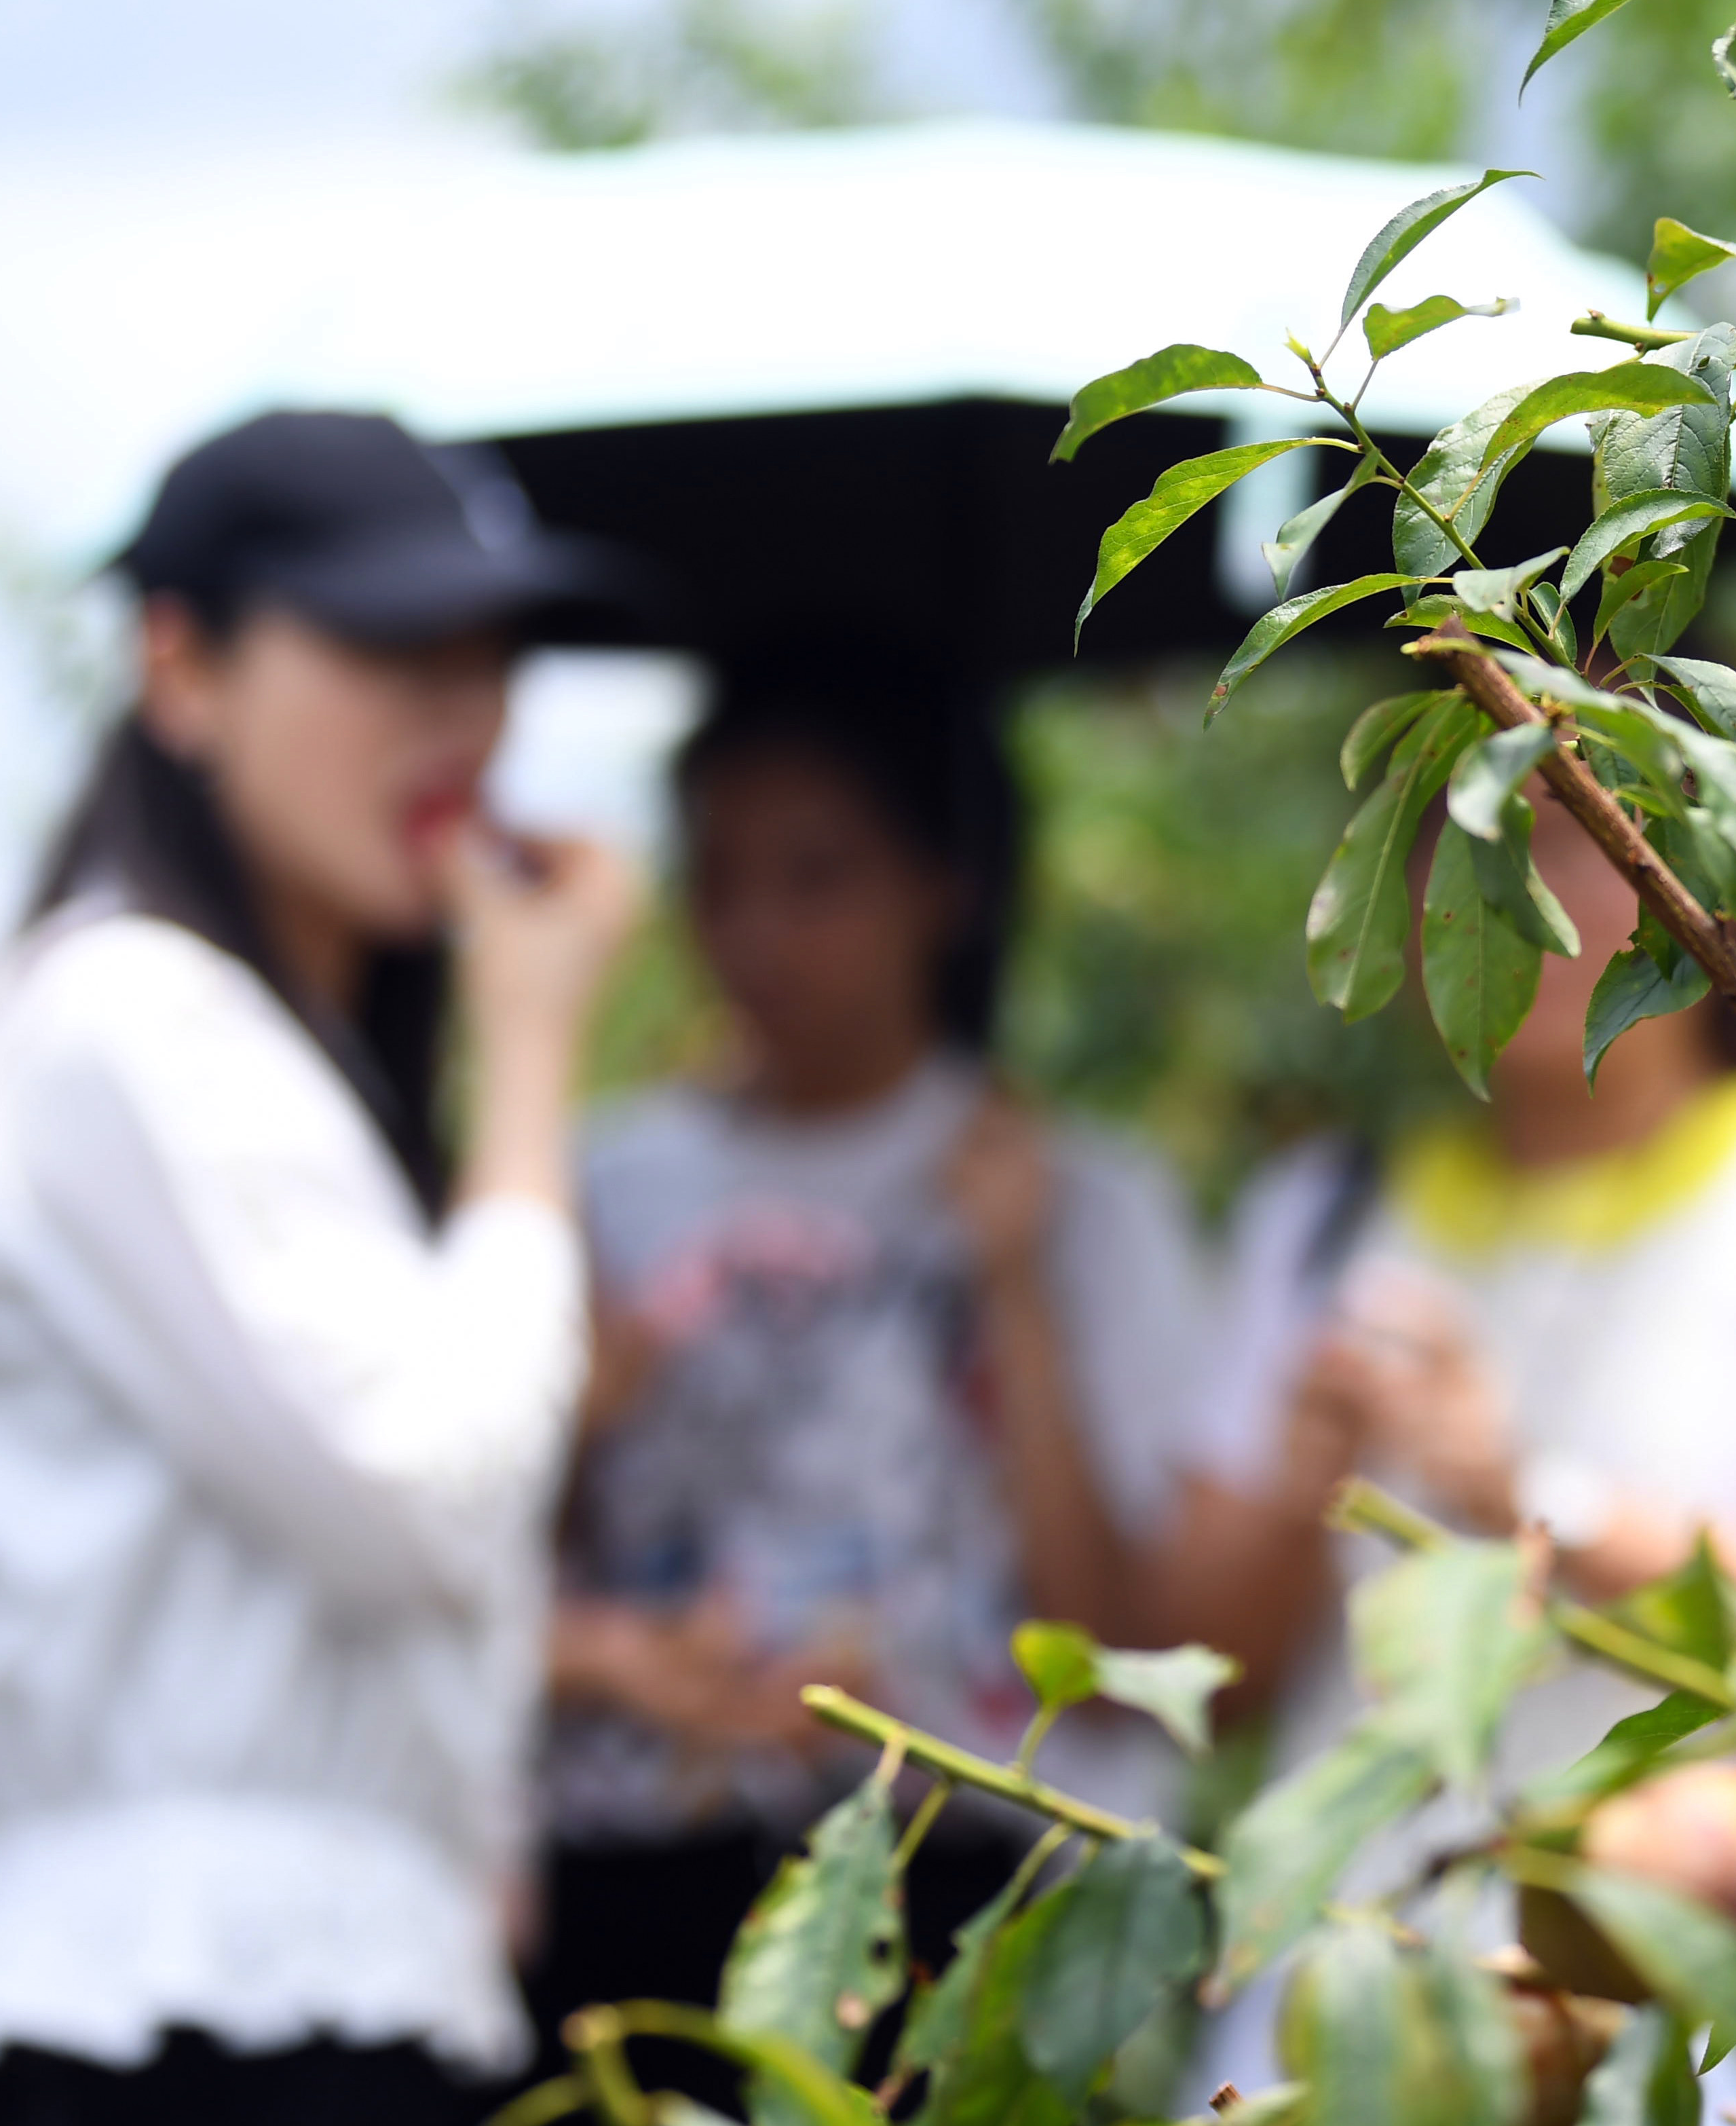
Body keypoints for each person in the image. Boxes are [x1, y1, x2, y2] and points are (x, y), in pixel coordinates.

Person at [0, 410, 643, 2125]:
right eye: (386, 644)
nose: (462, 714)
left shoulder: (252, 1043)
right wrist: (530, 1069)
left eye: (488, 653)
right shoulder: (131, 1018)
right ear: (182, 668)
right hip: (180, 2024)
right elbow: (428, 1494)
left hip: (276, 2008)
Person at [525, 656, 1356, 2091]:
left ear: (945, 885)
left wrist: (1018, 1293)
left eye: (817, 877)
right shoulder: (601, 1180)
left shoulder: (1084, 1196)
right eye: (719, 879)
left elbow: (1122, 1655)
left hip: (963, 1890)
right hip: (633, 1883)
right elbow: (499, 1570)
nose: (755, 932)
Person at [1187, 789, 1736, 2100]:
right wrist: (1305, 1474)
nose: (1514, 890)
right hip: (1349, 2000)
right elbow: (1209, 1681)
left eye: (1569, 837)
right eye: (1465, 838)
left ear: (1692, 872)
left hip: (1714, 2027)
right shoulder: (1323, 1219)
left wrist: (1538, 1503)